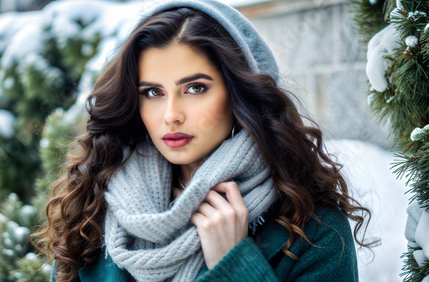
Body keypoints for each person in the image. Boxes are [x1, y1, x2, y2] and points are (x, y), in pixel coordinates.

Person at [31, 0, 373, 281]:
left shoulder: (314, 229)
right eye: (152, 92)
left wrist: (235, 265)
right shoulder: (95, 207)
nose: (171, 115)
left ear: (241, 93)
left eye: (195, 88)